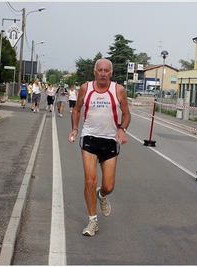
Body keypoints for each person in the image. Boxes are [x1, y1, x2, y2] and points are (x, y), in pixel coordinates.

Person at [68, 58, 131, 237]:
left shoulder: (118, 90)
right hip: (89, 138)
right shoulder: (85, 88)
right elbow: (77, 109)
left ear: (111, 73)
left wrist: (122, 129)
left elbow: (126, 114)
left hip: (110, 140)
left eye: (106, 71)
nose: (103, 73)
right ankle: (92, 221)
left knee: (109, 186)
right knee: (90, 181)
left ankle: (101, 195)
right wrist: (74, 129)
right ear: (95, 72)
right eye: (100, 70)